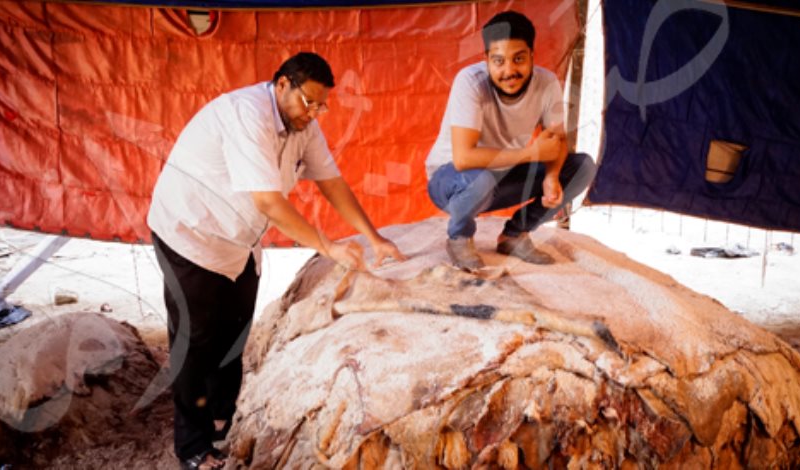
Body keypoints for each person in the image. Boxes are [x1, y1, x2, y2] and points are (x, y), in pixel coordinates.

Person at [147, 52, 405, 470]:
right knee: (194, 341)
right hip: (190, 234)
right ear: (282, 84)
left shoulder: (304, 124)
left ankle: (222, 420)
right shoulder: (247, 115)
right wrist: (328, 246)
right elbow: (268, 201)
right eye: (309, 102)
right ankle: (192, 446)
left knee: (234, 332)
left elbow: (331, 182)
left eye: (323, 105)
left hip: (238, 243)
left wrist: (374, 237)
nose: (316, 113)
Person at [425, 11, 597, 271]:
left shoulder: (547, 82)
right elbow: (463, 158)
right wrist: (531, 154)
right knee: (479, 177)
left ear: (531, 55)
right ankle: (459, 238)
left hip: (502, 177)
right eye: (498, 61)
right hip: (452, 181)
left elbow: (557, 140)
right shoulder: (469, 82)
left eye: (518, 59)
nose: (509, 71)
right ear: (486, 60)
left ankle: (514, 236)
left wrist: (551, 176)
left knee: (582, 167)